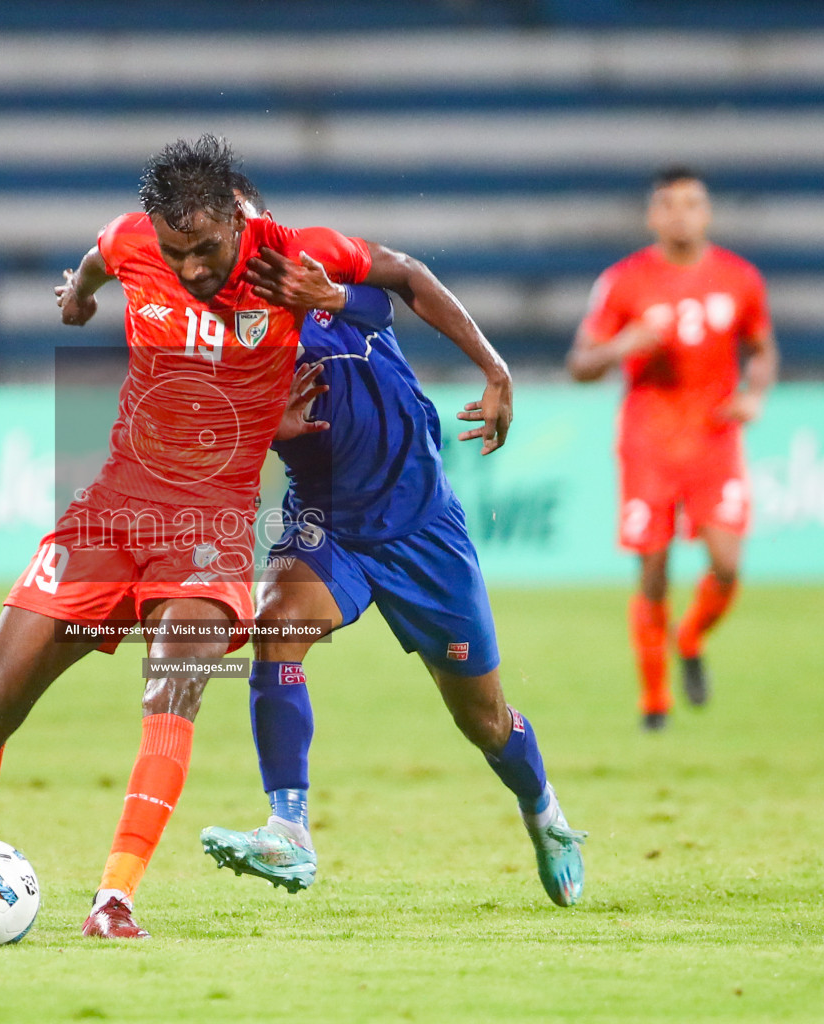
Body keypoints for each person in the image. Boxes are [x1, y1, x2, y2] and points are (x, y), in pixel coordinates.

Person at [0, 135, 510, 939]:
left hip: (211, 528)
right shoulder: (135, 240)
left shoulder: (295, 256)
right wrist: (79, 297)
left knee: (168, 691)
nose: (193, 270)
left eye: (206, 250)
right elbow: (101, 259)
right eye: (176, 252)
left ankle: (114, 899)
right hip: (112, 510)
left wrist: (489, 368)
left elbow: (399, 286)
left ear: (237, 223)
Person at [198, 181, 586, 907]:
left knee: (485, 721)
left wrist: (495, 370)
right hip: (327, 520)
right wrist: (261, 428)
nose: (245, 250)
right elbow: (207, 442)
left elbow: (401, 283)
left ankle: (546, 816)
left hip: (422, 528)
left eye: (247, 227)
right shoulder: (218, 326)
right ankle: (289, 828)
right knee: (276, 630)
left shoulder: (316, 257)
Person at [566, 166, 777, 730]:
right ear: (653, 215)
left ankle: (690, 637)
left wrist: (755, 393)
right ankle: (655, 703)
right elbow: (580, 365)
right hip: (649, 444)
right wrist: (623, 345)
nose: (680, 214)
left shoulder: (740, 279)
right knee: (653, 574)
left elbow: (761, 349)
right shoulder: (624, 282)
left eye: (691, 203)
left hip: (714, 440)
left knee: (728, 566)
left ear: (706, 212)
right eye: (669, 204)